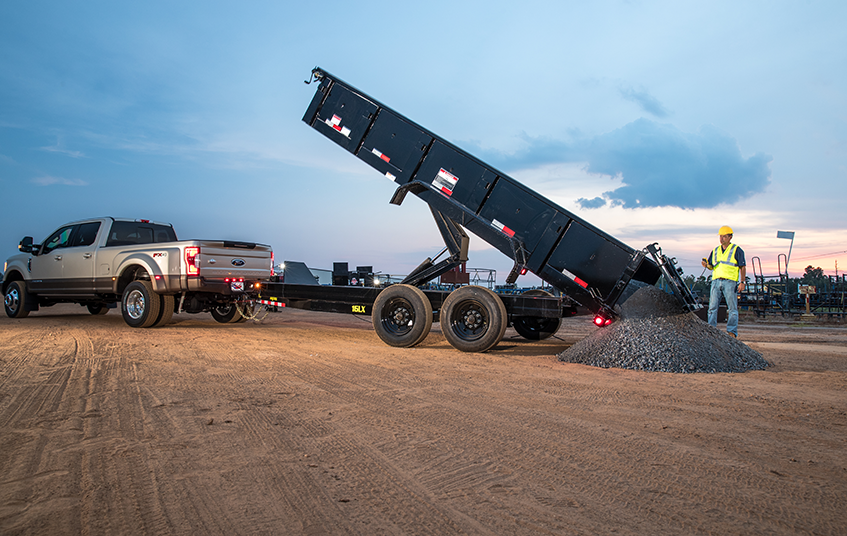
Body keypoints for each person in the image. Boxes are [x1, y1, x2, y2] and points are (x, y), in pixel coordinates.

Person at [701, 226, 746, 338]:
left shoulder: (737, 250)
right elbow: (712, 266)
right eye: (720, 236)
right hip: (716, 281)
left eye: (724, 236)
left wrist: (742, 282)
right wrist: (706, 265)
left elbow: (742, 267)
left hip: (730, 282)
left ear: (730, 237)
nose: (721, 239)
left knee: (732, 308)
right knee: (712, 308)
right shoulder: (715, 251)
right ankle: (711, 330)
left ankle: (731, 332)